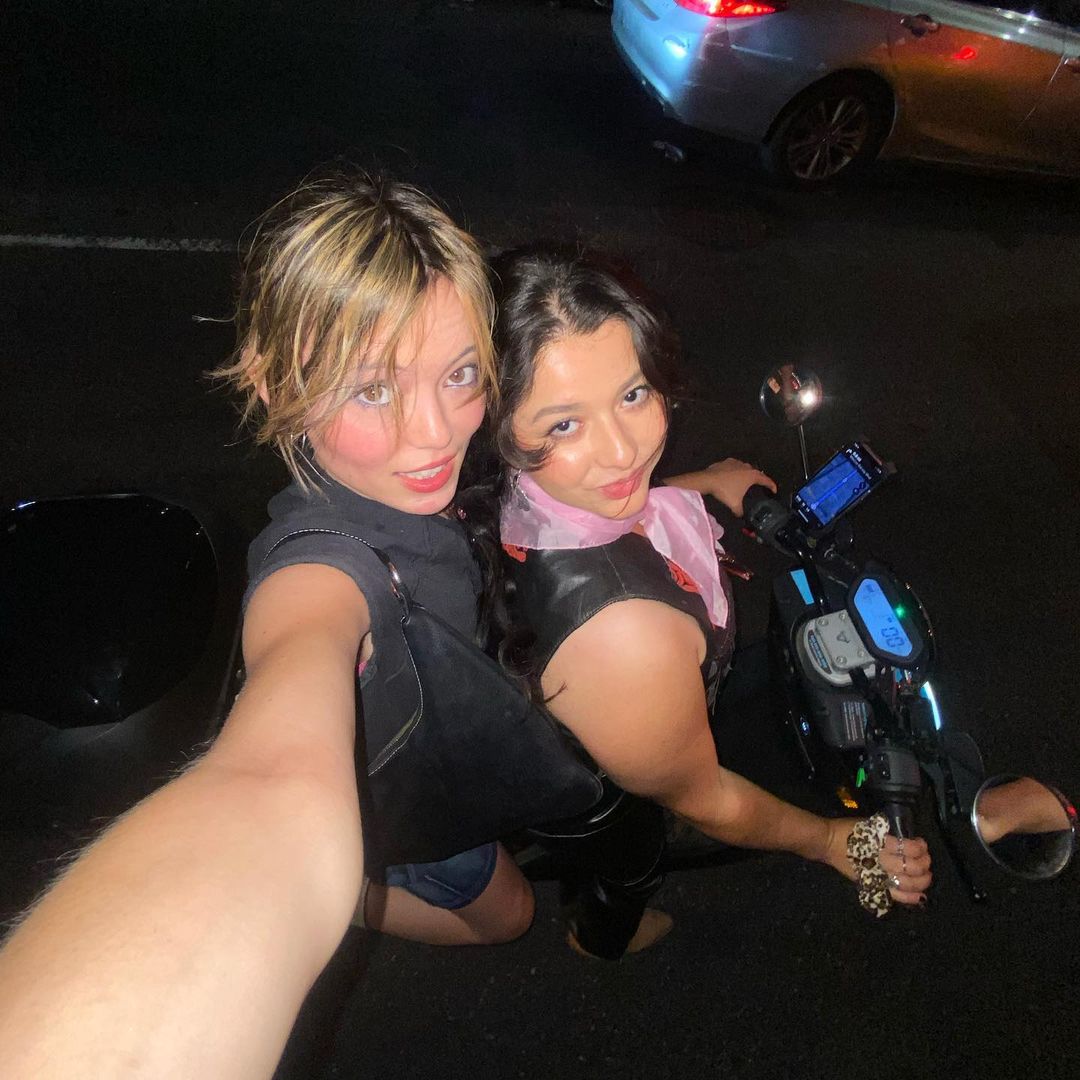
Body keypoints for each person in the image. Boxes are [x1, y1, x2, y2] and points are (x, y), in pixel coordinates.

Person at [479, 246, 932, 954]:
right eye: (564, 424)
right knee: (628, 864)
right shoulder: (628, 639)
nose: (624, 452)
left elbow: (612, 508)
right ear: (497, 425)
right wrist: (829, 841)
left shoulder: (521, 487)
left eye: (633, 395)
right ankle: (599, 937)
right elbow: (705, 798)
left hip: (555, 697)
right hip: (597, 789)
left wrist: (702, 481)